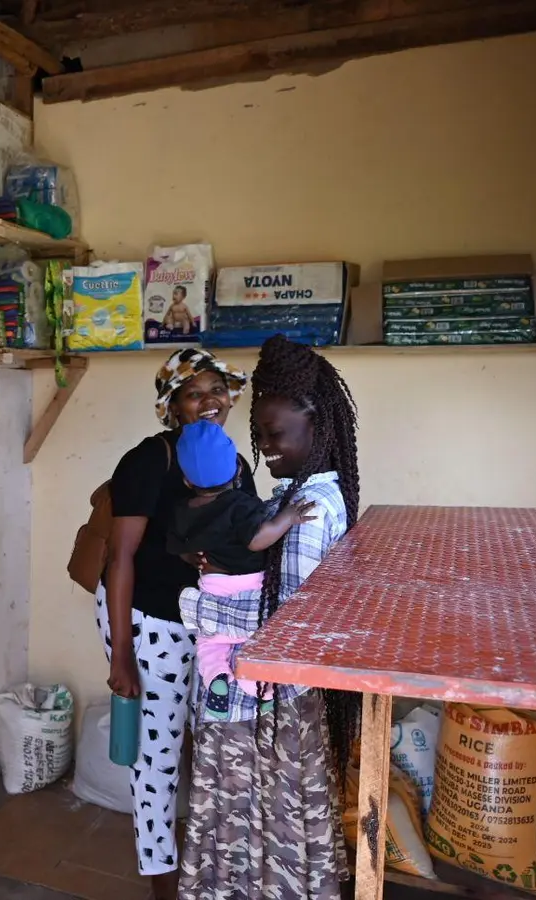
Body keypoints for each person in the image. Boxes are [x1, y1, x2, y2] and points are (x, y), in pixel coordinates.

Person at [177, 334, 362, 900]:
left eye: (275, 434)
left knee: (256, 821)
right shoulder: (297, 496)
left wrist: (205, 602)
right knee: (274, 822)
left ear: (317, 425)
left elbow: (287, 628)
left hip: (263, 704)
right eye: (258, 435)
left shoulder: (308, 510)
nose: (266, 447)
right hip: (264, 696)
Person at [97, 347, 254, 898]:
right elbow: (120, 559)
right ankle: (161, 881)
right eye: (194, 393)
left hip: (207, 625)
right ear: (173, 407)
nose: (210, 401)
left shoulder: (236, 464)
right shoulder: (150, 460)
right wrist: (121, 656)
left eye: (217, 389)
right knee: (156, 756)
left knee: (209, 744)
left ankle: (207, 862)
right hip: (147, 620)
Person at [166, 419, 316, 716]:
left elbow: (179, 548)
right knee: (253, 641)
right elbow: (257, 540)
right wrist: (287, 518)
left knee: (211, 642)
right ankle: (261, 689)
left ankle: (216, 678)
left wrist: (190, 558)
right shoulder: (241, 504)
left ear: (186, 481)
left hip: (212, 586)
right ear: (237, 469)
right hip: (251, 586)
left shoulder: (182, 510)